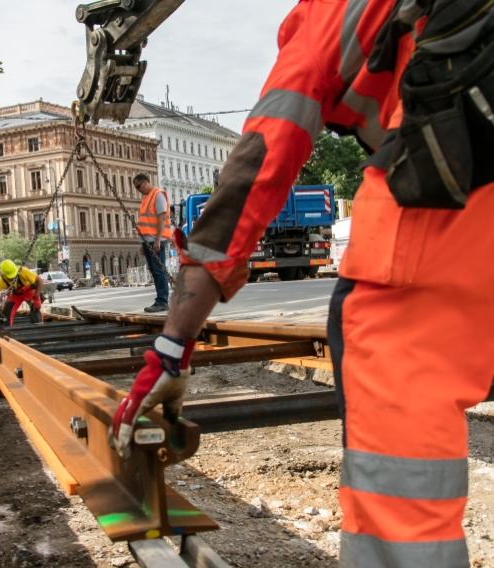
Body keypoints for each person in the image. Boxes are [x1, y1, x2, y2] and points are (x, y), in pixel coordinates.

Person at [110, 1, 494, 566]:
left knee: (400, 433)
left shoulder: (328, 15)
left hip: (456, 200)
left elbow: (261, 163)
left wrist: (171, 346)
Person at [133, 173, 171, 312]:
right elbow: (145, 222)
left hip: (156, 240)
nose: (138, 190)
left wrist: (157, 240)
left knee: (159, 270)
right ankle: (160, 299)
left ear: (145, 182)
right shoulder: (146, 198)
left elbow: (161, 219)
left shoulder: (158, 195)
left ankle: (162, 300)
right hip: (147, 240)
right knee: (154, 271)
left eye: (138, 187)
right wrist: (142, 242)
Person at [0, 260, 44, 326]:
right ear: (4, 275)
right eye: (10, 277)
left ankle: (39, 325)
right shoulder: (0, 281)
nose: (12, 278)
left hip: (28, 291)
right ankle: (6, 330)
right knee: (6, 313)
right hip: (15, 294)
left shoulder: (23, 271)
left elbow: (40, 281)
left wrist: (36, 298)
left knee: (35, 308)